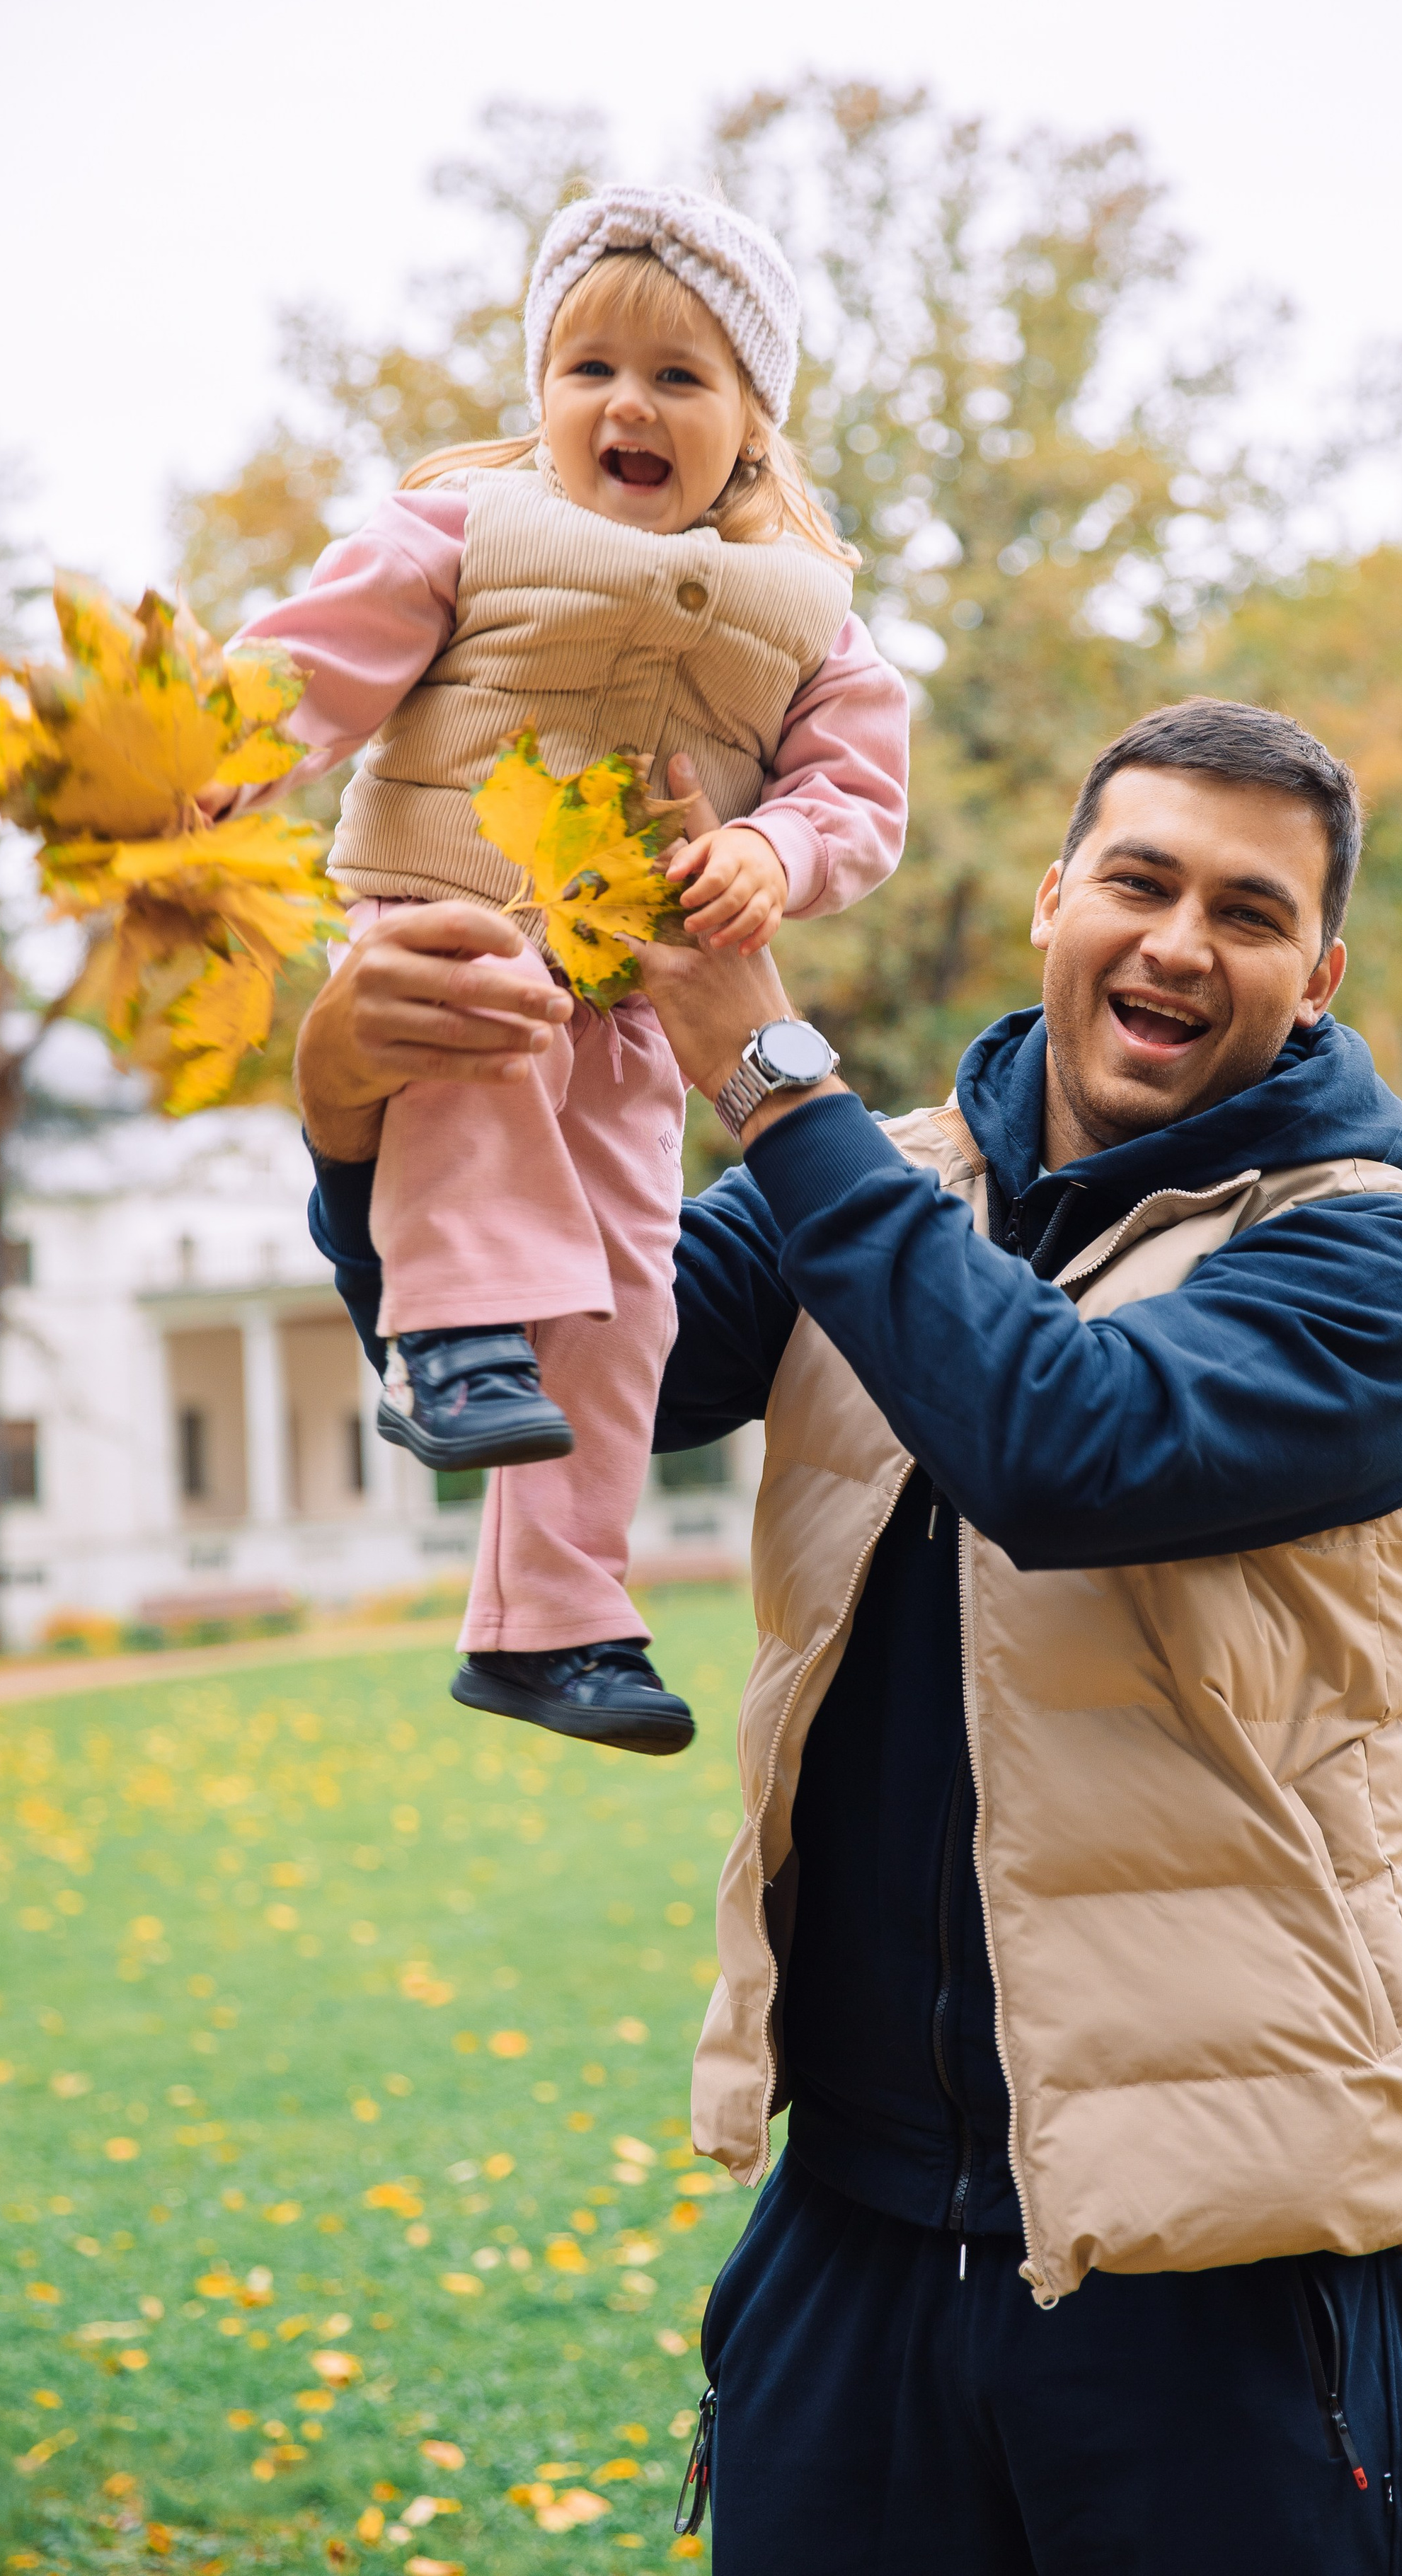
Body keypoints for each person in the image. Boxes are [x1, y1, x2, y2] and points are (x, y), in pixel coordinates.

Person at [296, 696, 1402, 2575]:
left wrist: (763, 1066)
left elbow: (1066, 1443)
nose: (1181, 942)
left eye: (1249, 914)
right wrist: (366, 1126)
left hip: (1222, 2271)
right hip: (852, 2238)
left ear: (1320, 971)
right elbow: (564, 1357)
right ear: (1052, 902)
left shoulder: (1379, 1260)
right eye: (1142, 880)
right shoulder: (872, 1187)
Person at [232, 185, 909, 1757]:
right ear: (539, 395)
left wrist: (773, 856)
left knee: (625, 1300)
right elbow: (309, 668)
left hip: (625, 1002)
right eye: (587, 367)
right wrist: (209, 763)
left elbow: (852, 800)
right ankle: (452, 1345)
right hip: (447, 915)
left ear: (751, 424)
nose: (628, 402)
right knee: (478, 1072)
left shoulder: (814, 614)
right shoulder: (464, 527)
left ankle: (554, 1624)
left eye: (679, 377)